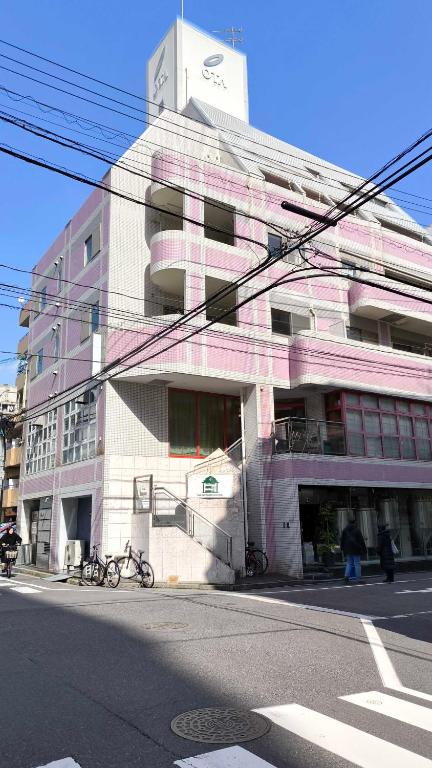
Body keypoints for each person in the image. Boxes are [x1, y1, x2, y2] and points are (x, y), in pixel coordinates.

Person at [341, 519, 367, 584]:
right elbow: (361, 541)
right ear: (354, 523)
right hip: (356, 549)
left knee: (349, 563)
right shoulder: (357, 530)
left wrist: (342, 548)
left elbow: (342, 540)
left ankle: (346, 577)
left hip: (347, 549)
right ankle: (359, 578)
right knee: (357, 563)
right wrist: (364, 549)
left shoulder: (345, 530)